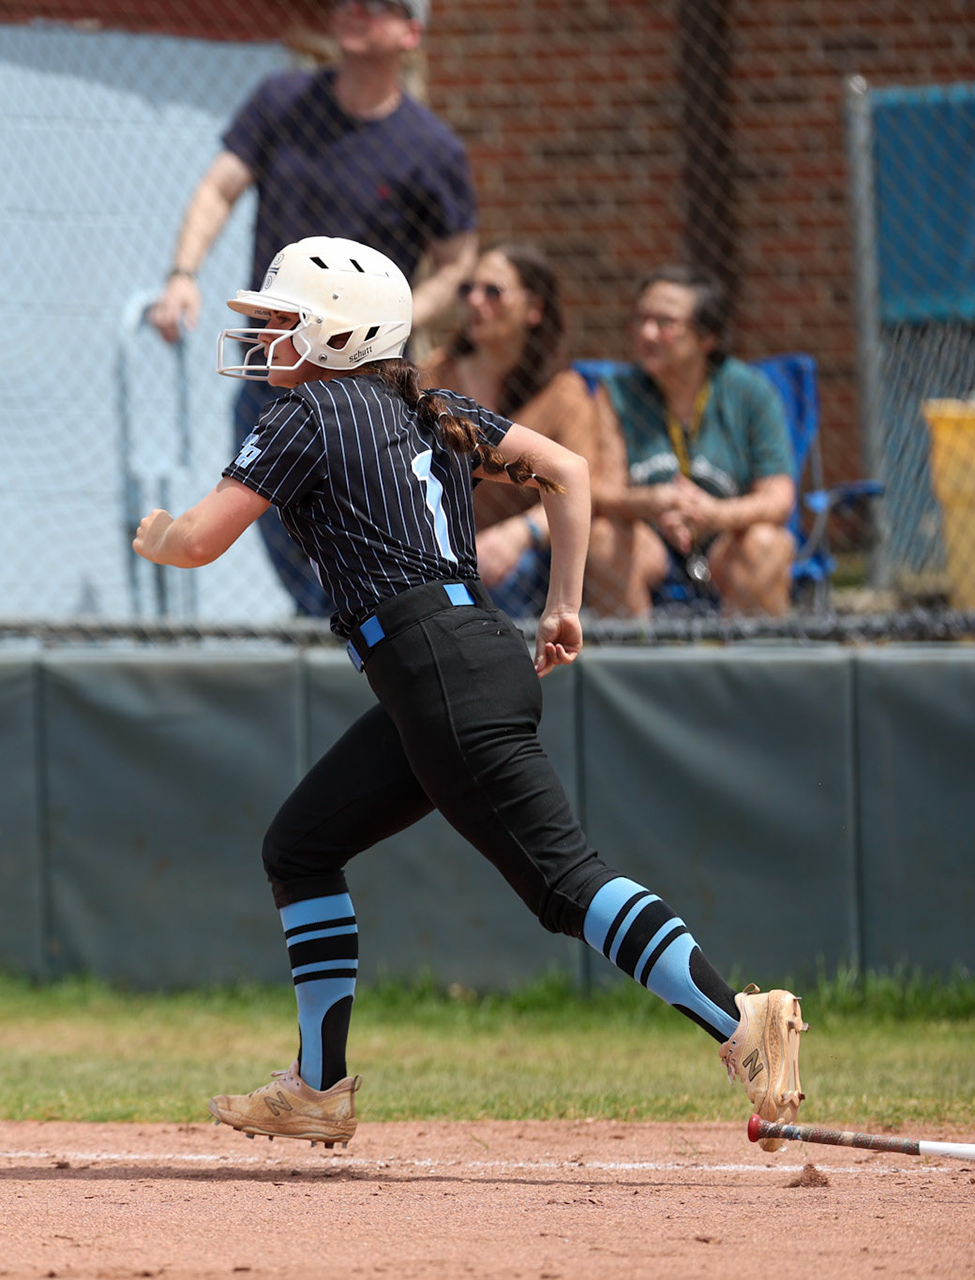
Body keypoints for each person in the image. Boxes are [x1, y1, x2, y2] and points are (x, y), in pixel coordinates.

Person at [130, 236, 808, 1152]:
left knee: (563, 885)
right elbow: (569, 471)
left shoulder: (305, 417)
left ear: (339, 336)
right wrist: (564, 605)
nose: (270, 340)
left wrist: (162, 537)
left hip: (437, 670)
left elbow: (204, 540)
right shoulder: (430, 404)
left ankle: (741, 1021)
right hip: (461, 659)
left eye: (287, 322)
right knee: (302, 844)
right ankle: (319, 1088)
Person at [147, 0, 477, 617]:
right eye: (349, 1)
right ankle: (322, 622)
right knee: (264, 506)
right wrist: (183, 274)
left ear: (411, 32)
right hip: (275, 357)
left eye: (380, 5)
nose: (355, 11)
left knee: (354, 511)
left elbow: (459, 262)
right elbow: (220, 186)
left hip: (364, 375)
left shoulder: (431, 148)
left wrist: (391, 322)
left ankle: (367, 620)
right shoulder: (282, 100)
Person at [588, 266, 797, 617]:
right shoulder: (618, 393)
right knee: (602, 538)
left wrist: (715, 514)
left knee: (767, 543)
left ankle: (751, 666)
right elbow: (602, 490)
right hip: (648, 536)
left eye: (665, 322)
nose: (647, 332)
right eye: (640, 319)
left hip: (724, 538)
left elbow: (779, 498)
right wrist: (652, 501)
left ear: (706, 337)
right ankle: (633, 661)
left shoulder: (751, 392)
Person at [421, 244, 599, 619]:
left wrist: (519, 534)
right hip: (431, 546)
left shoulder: (563, 393)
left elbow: (585, 486)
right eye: (468, 289)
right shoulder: (436, 374)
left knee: (513, 571)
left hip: (518, 557)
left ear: (534, 309)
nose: (474, 300)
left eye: (493, 291)